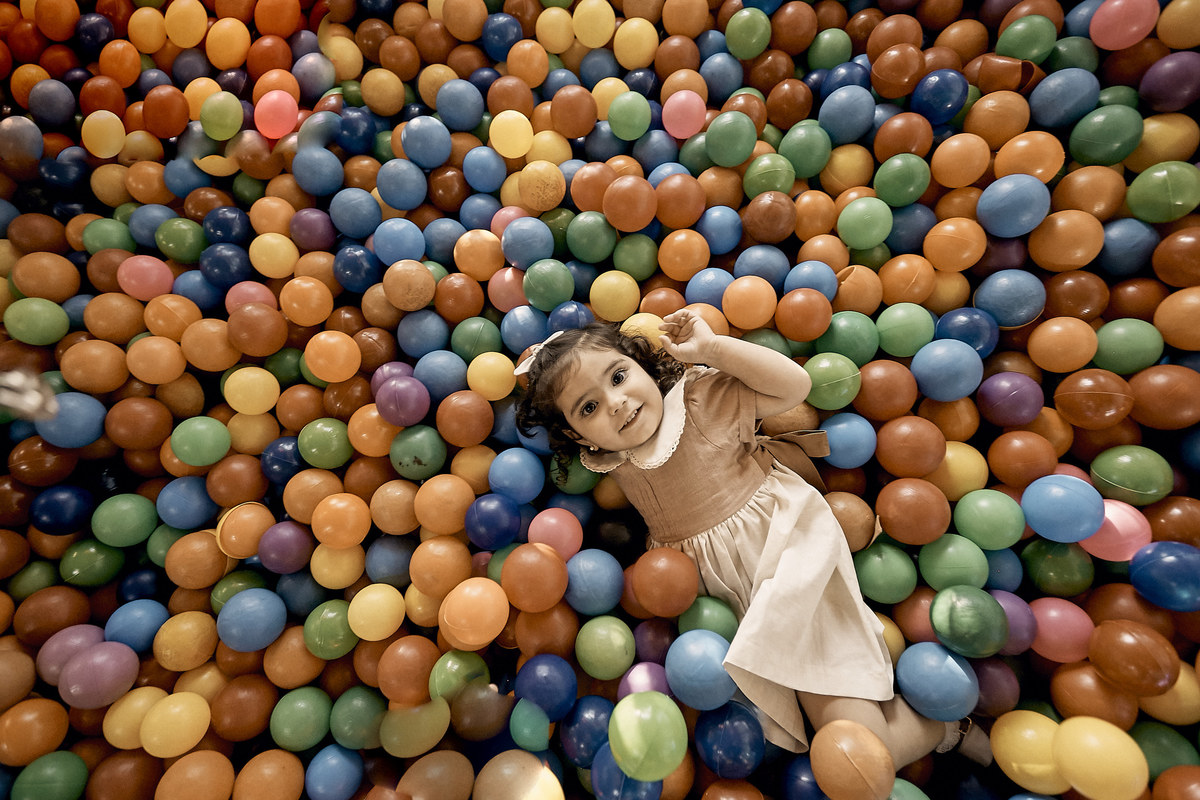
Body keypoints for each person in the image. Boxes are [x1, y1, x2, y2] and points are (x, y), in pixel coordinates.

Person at [515, 308, 991, 767]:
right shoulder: (610, 458)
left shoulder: (696, 400)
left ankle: (941, 728)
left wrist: (714, 349)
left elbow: (794, 386)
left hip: (785, 563)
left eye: (619, 377)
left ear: (642, 366)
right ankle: (917, 731)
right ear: (581, 438)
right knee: (819, 733)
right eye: (589, 407)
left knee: (852, 743)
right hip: (716, 604)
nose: (615, 402)